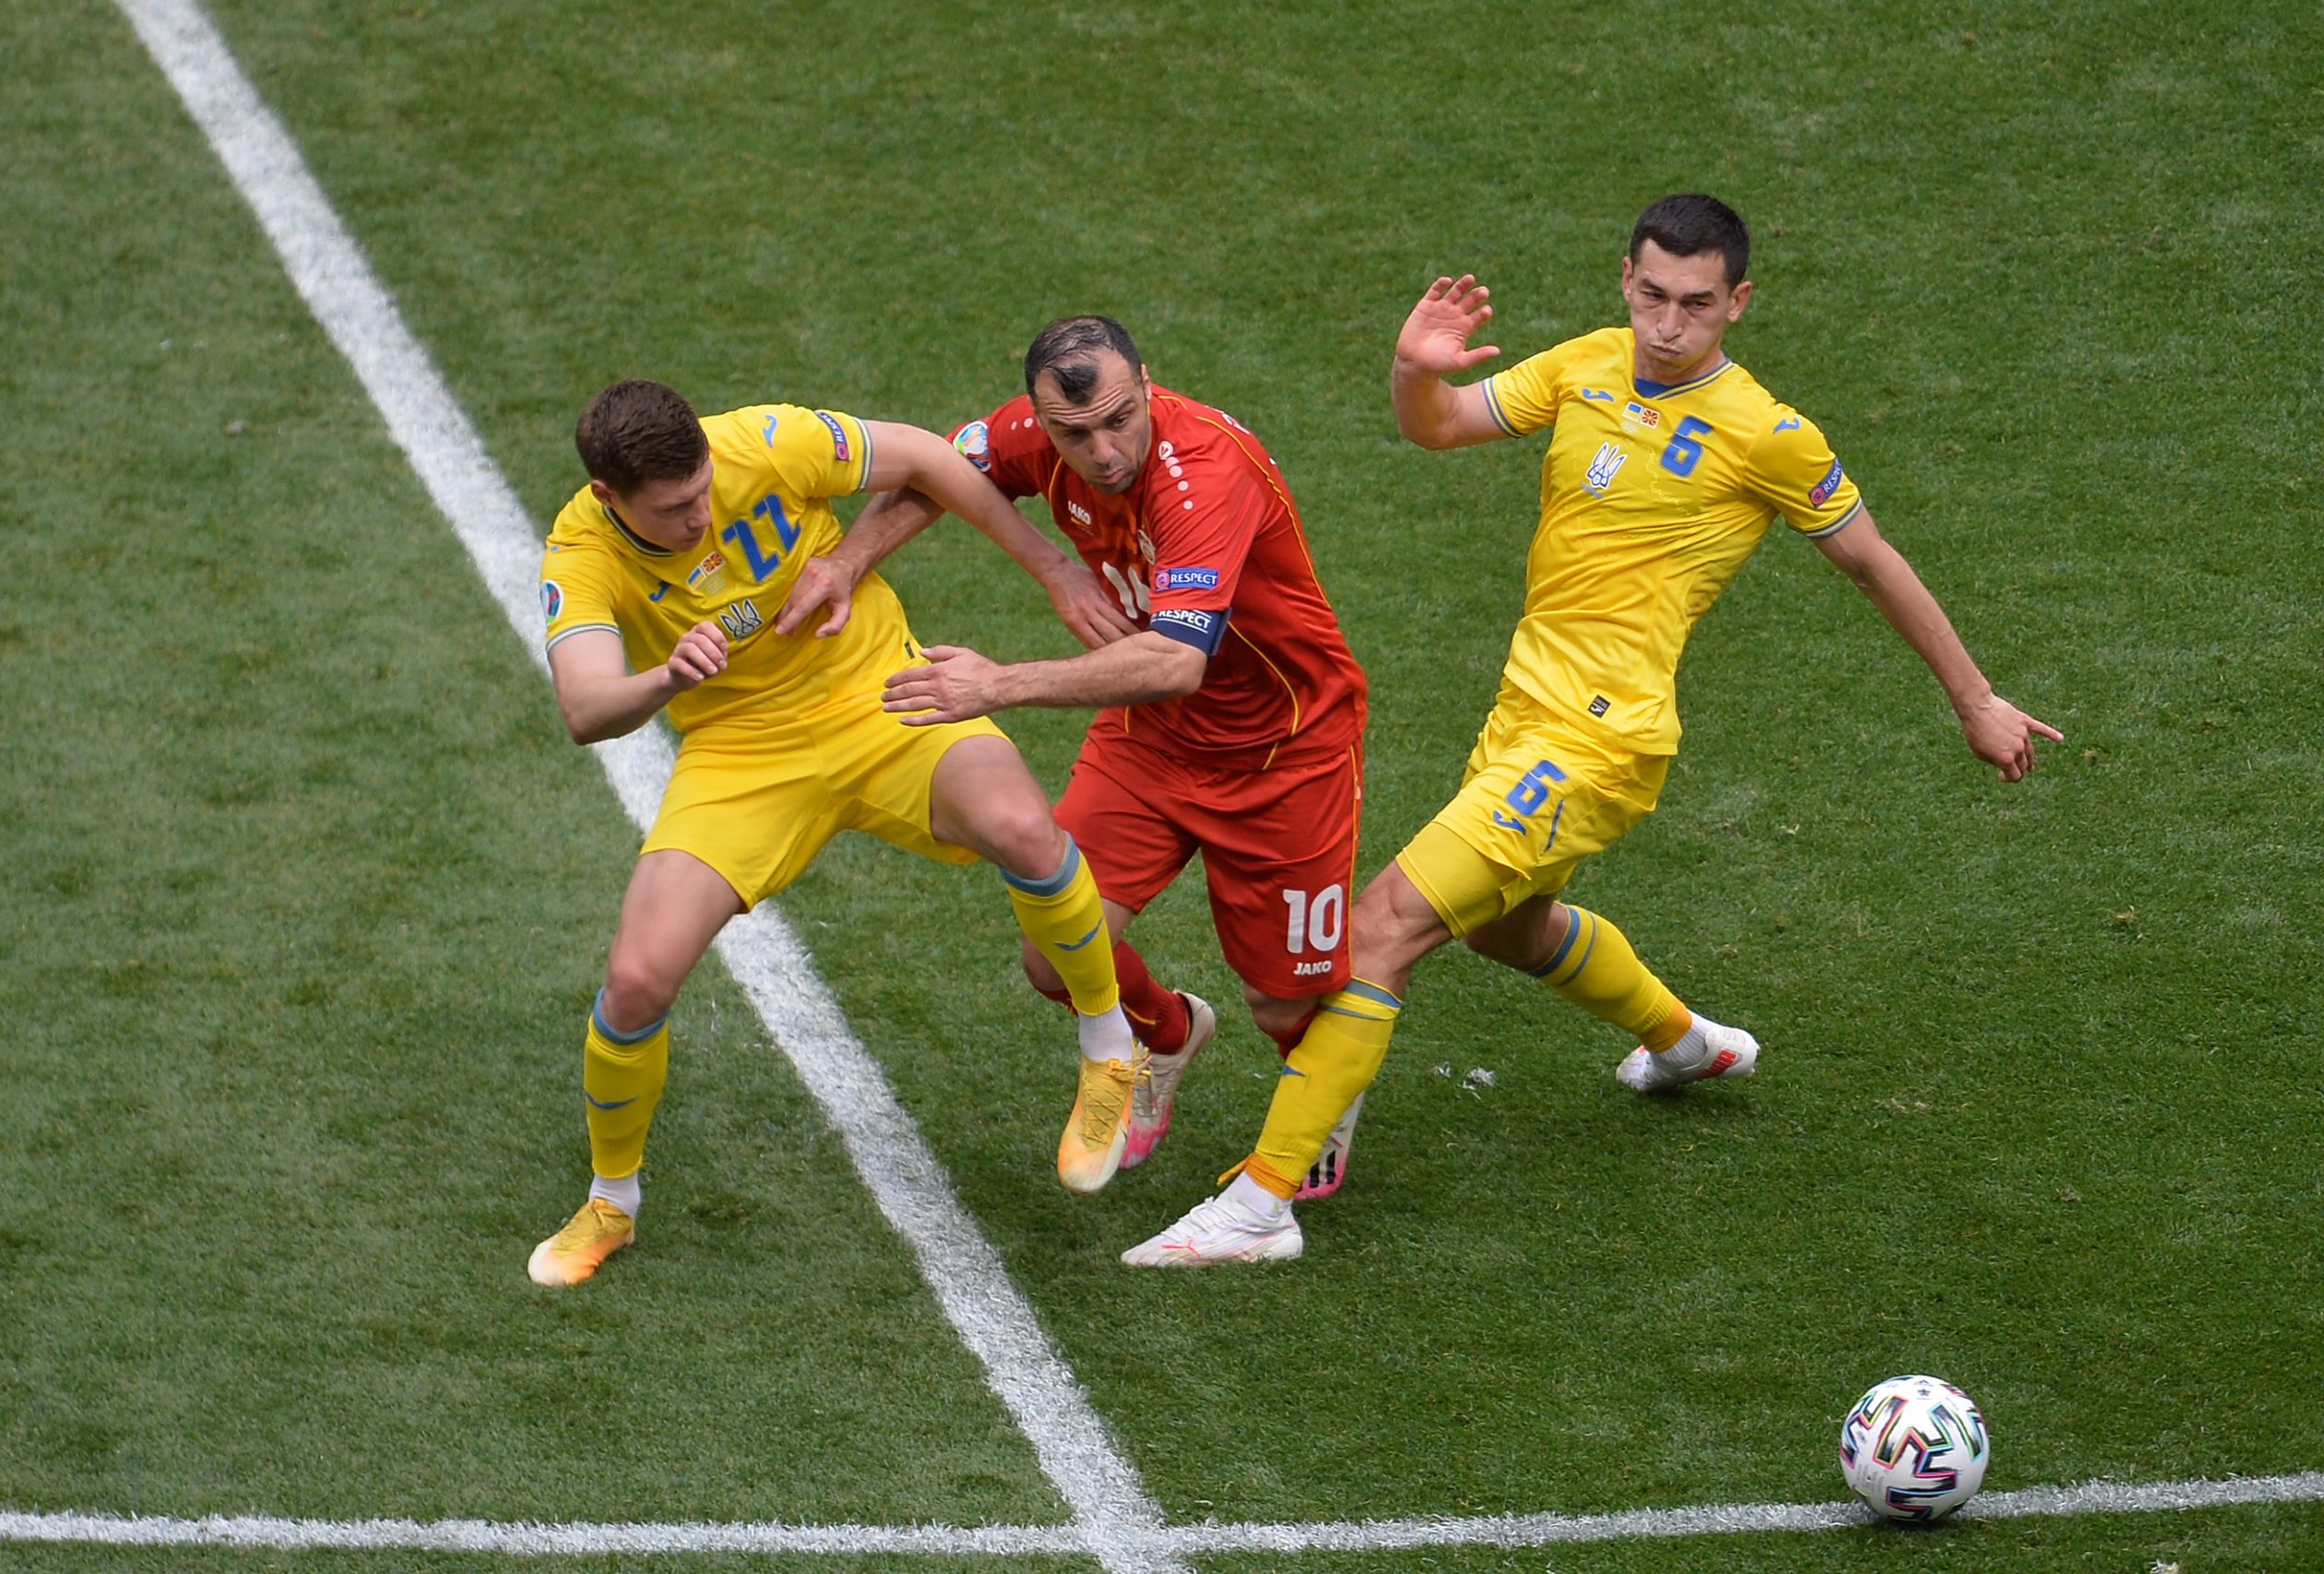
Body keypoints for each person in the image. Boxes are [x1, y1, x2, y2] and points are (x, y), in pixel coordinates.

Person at [1123, 192, 2064, 1266]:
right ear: (1625, 279)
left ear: (1739, 303)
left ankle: (1259, 1204)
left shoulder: (1768, 435)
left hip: (1600, 738)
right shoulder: (1584, 364)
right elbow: (1435, 427)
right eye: (1653, 296)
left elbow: (1870, 560)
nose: (1669, 325)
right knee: (1507, 930)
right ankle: (1689, 1047)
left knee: (1379, 926)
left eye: (1697, 305)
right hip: (1525, 713)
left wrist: (1974, 698)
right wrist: (1413, 366)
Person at [527, 378, 1140, 1287]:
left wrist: (1048, 569)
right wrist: (665, 678)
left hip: (872, 692)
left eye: (702, 492)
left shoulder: (760, 441)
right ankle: (612, 1199)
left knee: (1019, 824)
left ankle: (1109, 1047)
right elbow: (584, 708)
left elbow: (935, 457)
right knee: (636, 979)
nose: (699, 515)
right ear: (612, 498)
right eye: (672, 510)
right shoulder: (579, 551)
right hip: (742, 750)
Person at [783, 316, 1369, 1201]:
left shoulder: (1204, 474)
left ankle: (1319, 1106)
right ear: (1042, 417)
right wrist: (848, 561)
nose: (1101, 451)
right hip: (1151, 737)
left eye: (1119, 419)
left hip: (1283, 748)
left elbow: (1177, 660)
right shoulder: (1033, 434)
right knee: (1057, 956)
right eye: (1074, 433)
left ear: (1147, 381)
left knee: (1284, 1006)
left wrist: (998, 684)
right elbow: (940, 468)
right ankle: (1166, 1036)